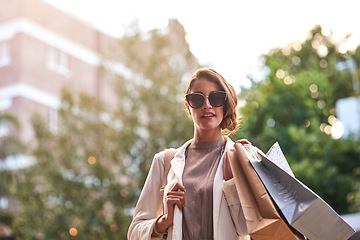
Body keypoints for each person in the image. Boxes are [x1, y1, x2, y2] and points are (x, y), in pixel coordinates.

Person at [127, 68, 250, 240]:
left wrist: (231, 180)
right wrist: (164, 220)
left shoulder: (238, 157)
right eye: (197, 99)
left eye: (215, 98)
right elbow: (134, 233)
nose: (207, 105)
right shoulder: (165, 161)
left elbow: (247, 228)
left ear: (225, 104)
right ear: (188, 106)